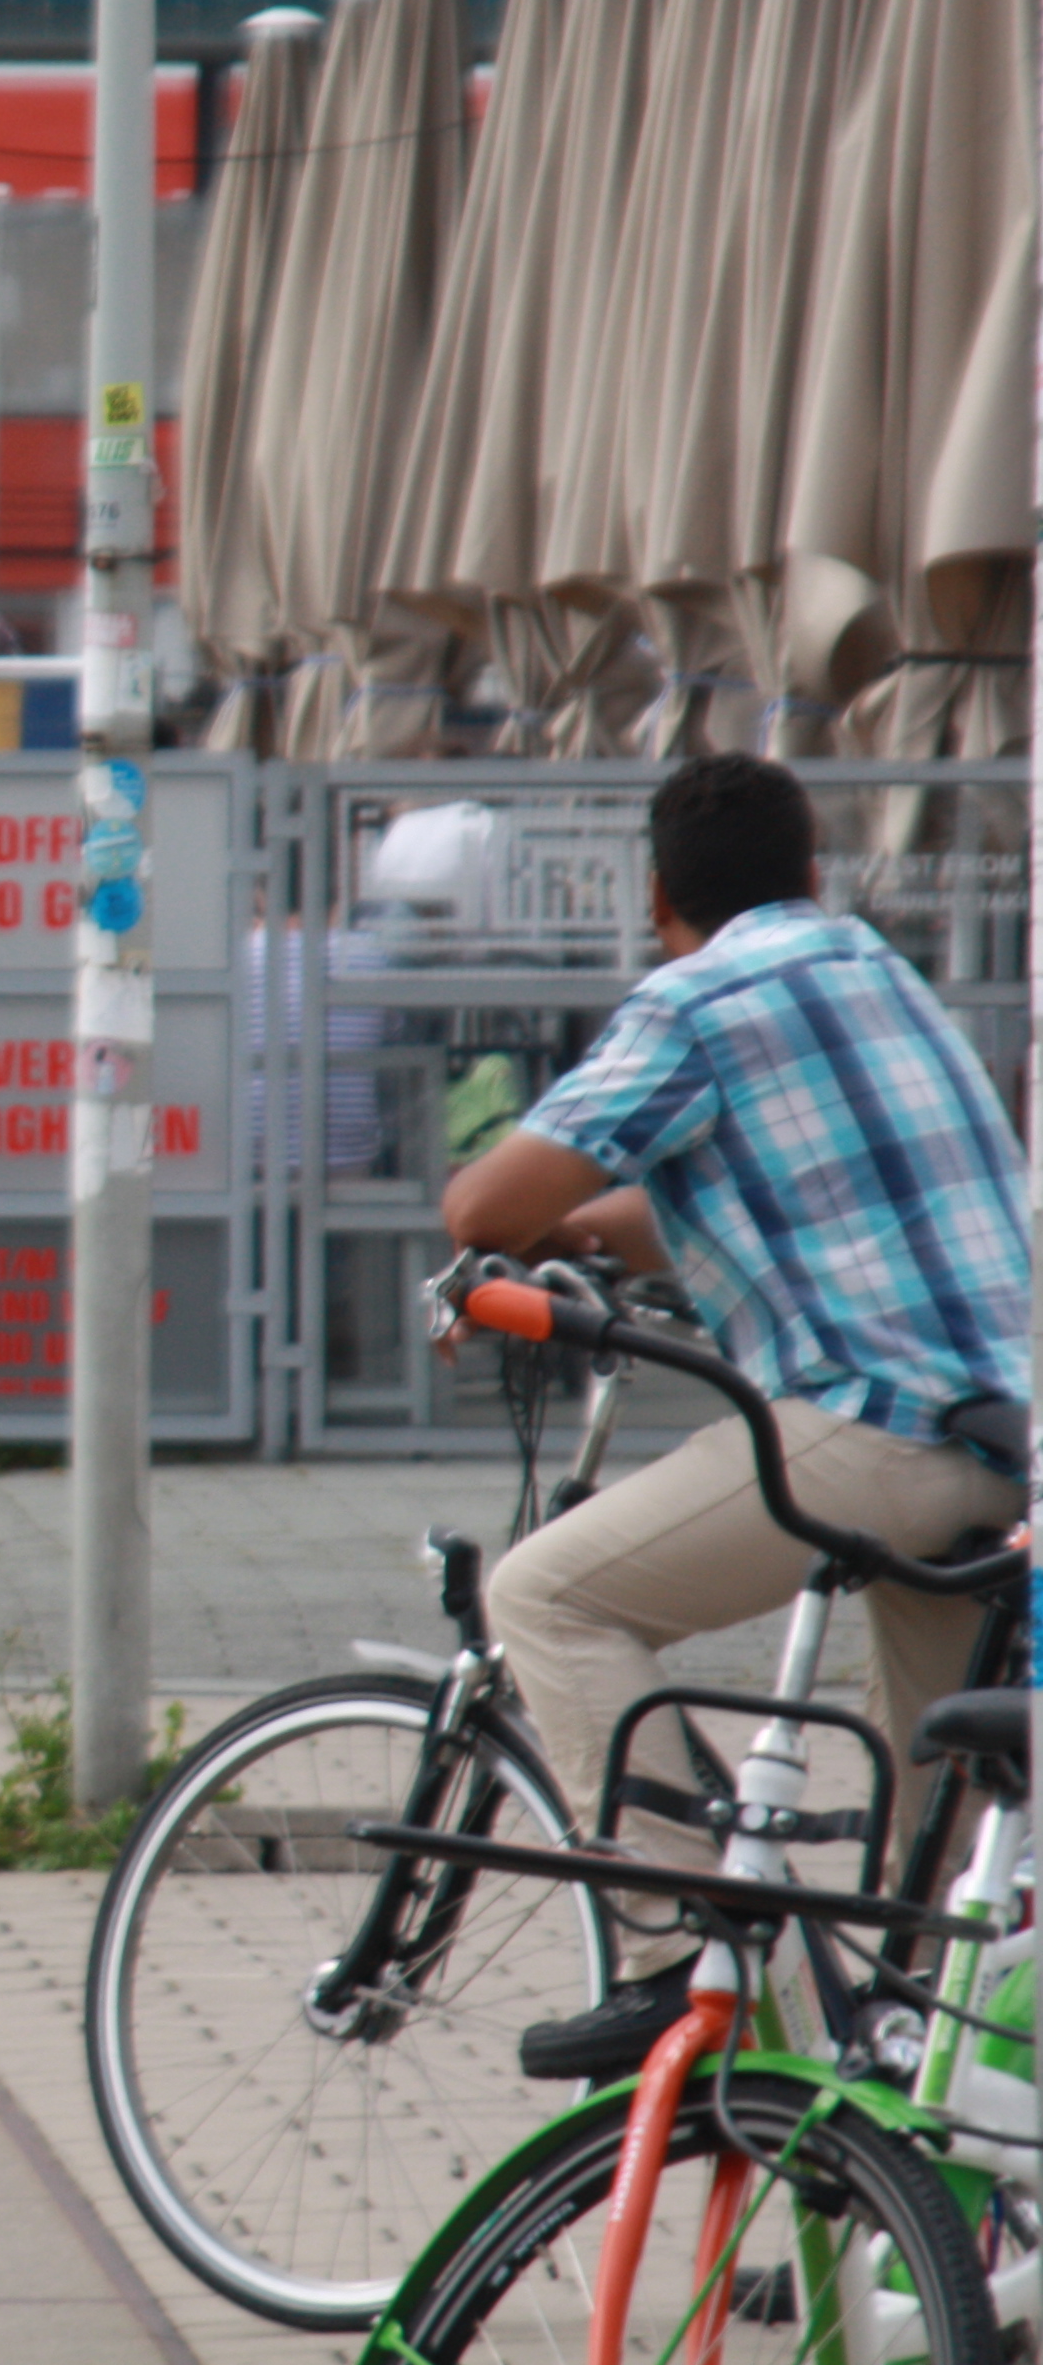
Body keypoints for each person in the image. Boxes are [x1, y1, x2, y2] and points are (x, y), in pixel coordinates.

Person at [443, 752, 1023, 2084]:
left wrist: (523, 1233)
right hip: (1005, 1444)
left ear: (659, 899)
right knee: (931, 1864)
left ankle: (677, 1947)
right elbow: (780, 1186)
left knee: (546, 1598)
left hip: (873, 1430)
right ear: (814, 871)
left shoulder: (695, 1001)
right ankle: (909, 2165)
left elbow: (484, 1208)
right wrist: (597, 1230)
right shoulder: (875, 970)